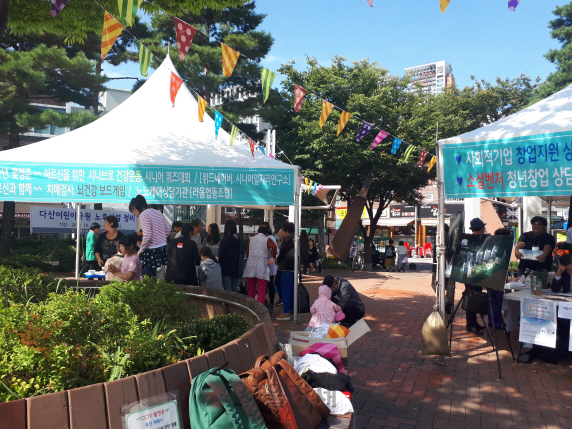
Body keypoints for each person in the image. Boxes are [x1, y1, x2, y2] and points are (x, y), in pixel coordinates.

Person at [517, 254, 572, 364]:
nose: (570, 272)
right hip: (567, 307)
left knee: (566, 326)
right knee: (557, 321)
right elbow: (555, 289)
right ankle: (545, 349)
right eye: (568, 270)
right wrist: (558, 274)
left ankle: (562, 350)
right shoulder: (565, 274)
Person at [129, 195, 171, 277]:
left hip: (151, 250)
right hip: (162, 248)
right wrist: (160, 239)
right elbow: (168, 229)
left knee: (149, 279)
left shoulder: (143, 215)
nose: (134, 214)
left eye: (133, 211)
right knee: (159, 277)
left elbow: (147, 234)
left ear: (135, 207)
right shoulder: (158, 212)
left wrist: (141, 250)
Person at [464, 218, 487, 335]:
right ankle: (471, 324)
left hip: (470, 273)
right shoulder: (478, 240)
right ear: (481, 228)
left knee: (475, 297)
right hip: (472, 273)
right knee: (472, 298)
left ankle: (473, 322)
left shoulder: (468, 239)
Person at [243, 225, 277, 304]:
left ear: (258, 232)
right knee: (261, 292)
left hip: (250, 267)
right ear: (266, 234)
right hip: (262, 267)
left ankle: (250, 309)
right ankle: (260, 311)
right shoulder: (267, 239)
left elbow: (247, 254)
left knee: (251, 291)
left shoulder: (251, 239)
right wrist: (273, 257)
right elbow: (274, 247)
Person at [487, 228, 513, 329]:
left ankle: (491, 320)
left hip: (490, 276)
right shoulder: (502, 247)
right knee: (498, 300)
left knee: (492, 300)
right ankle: (497, 322)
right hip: (497, 277)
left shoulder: (492, 244)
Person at [276, 222, 295, 321]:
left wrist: (276, 260)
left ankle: (286, 312)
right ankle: (290, 311)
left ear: (286, 231)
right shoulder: (295, 238)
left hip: (287, 268)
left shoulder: (289, 240)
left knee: (286, 290)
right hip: (292, 268)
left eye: (282, 230)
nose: (281, 232)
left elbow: (282, 253)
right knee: (290, 290)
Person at [218, 219, 243, 293]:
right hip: (236, 268)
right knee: (234, 288)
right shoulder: (239, 239)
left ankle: (229, 304)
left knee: (228, 290)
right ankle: (235, 304)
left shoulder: (224, 239)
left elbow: (221, 256)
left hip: (226, 269)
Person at [261, 221, 278, 312]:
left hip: (270, 264)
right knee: (265, 284)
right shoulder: (263, 238)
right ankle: (266, 302)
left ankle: (271, 303)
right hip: (265, 263)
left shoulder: (270, 238)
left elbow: (274, 250)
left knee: (270, 284)